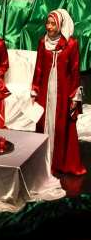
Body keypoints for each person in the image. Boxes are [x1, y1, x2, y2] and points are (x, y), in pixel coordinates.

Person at [31, 9, 86, 175]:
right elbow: (38, 68)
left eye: (53, 24)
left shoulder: (71, 44)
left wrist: (75, 96)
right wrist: (34, 90)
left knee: (61, 127)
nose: (49, 27)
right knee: (43, 123)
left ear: (61, 25)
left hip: (63, 93)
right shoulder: (43, 42)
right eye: (47, 23)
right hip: (45, 92)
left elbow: (74, 71)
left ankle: (58, 162)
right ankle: (43, 160)